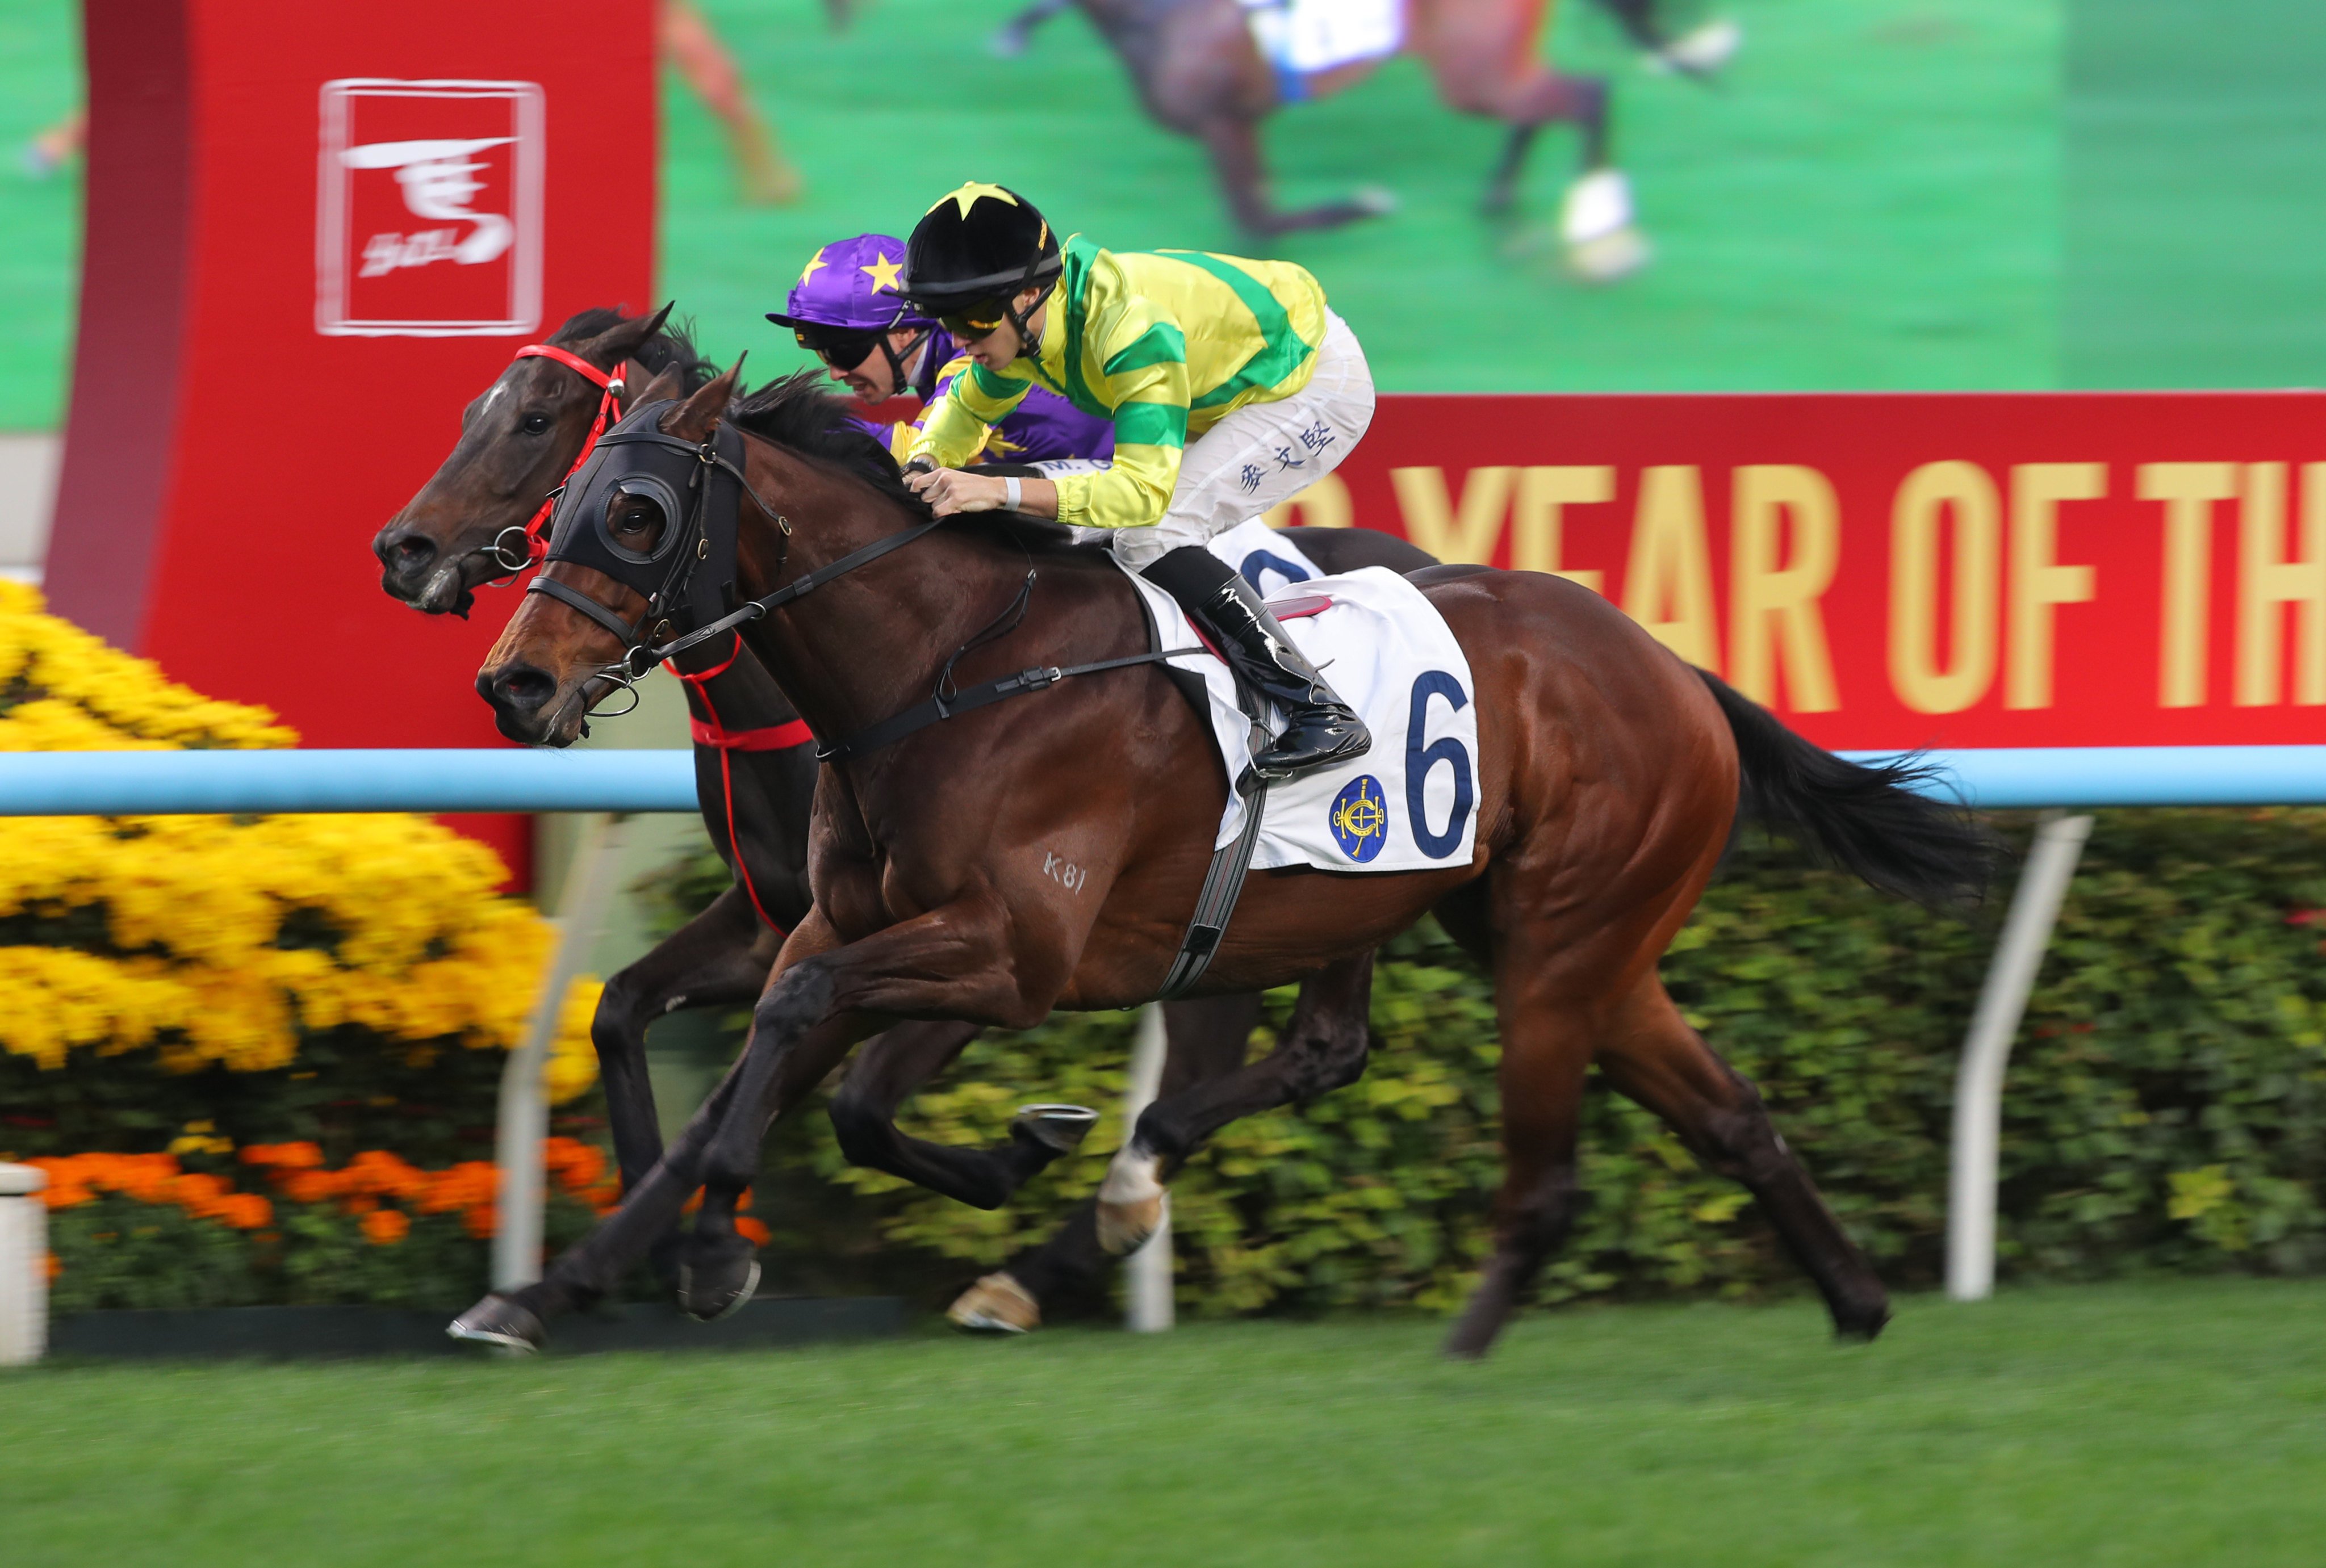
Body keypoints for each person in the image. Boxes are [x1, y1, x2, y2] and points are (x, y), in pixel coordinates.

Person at [896, 182, 1371, 778]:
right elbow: (967, 406)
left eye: (974, 320)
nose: (960, 339)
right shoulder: (1022, 326)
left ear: (1029, 296)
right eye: (945, 322)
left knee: (1153, 533)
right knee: (1114, 532)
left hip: (1307, 383)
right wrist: (925, 459)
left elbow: (1140, 497)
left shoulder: (1129, 329)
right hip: (1225, 376)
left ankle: (1316, 708)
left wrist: (997, 488)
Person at [767, 232, 1113, 468]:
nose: (835, 373)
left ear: (903, 333)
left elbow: (919, 451)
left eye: (843, 352)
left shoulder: (973, 355)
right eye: (821, 354)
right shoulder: (934, 358)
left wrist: (786, 429)